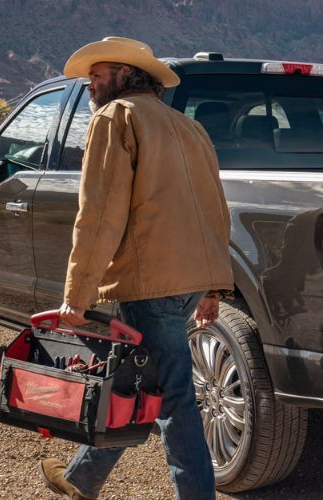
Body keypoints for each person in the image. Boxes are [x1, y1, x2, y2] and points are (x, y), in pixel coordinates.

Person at [39, 37, 234, 500]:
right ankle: (81, 478)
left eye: (98, 73)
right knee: (137, 380)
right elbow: (214, 209)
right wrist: (211, 288)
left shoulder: (115, 116)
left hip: (151, 283)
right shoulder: (188, 127)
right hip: (185, 282)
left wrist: (77, 295)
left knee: (174, 399)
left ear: (126, 76)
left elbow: (100, 214)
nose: (90, 82)